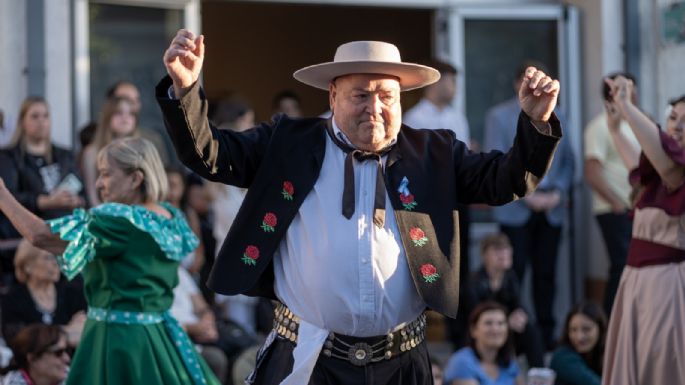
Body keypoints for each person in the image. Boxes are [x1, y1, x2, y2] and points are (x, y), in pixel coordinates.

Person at [158, 30, 562, 385]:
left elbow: (506, 179)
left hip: (402, 363)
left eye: (386, 95)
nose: (375, 107)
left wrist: (536, 123)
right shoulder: (288, 141)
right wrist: (186, 92)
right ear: (332, 95)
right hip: (308, 359)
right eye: (360, 95)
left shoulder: (434, 152)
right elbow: (211, 154)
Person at [0, 137, 220, 385]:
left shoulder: (119, 220)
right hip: (160, 336)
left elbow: (40, 235)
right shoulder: (170, 216)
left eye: (105, 174)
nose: (98, 183)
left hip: (116, 341)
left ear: (136, 178)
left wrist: (3, 196)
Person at [483, 62, 575, 348]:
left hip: (551, 209)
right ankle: (513, 341)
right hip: (516, 208)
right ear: (517, 84)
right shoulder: (498, 116)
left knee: (546, 275)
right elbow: (496, 157)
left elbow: (570, 162)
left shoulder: (559, 111)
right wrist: (528, 195)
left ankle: (546, 338)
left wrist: (557, 193)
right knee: (514, 274)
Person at [601, 77, 685, 385]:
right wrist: (614, 127)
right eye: (673, 118)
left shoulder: (677, 173)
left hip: (666, 283)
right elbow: (635, 158)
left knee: (658, 364)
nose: (676, 126)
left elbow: (666, 163)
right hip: (636, 282)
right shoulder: (657, 178)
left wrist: (627, 106)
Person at [404, 60, 473, 347]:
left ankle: (460, 336)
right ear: (434, 81)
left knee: (459, 266)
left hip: (457, 200)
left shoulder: (458, 117)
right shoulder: (413, 117)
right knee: (423, 264)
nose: (454, 87)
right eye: (450, 80)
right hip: (426, 205)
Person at [583, 72, 640, 316]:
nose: (634, 93)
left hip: (635, 210)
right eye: (627, 88)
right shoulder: (599, 126)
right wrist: (617, 203)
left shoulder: (634, 124)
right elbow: (592, 172)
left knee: (634, 268)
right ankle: (609, 323)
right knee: (622, 267)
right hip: (615, 211)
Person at [463, 233, 544, 367]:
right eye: (497, 250)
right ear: (484, 256)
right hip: (481, 330)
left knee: (531, 330)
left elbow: (518, 305)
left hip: (505, 328)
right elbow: (475, 315)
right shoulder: (473, 282)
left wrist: (520, 315)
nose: (503, 255)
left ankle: (539, 374)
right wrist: (506, 321)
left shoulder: (510, 277)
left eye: (506, 249)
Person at [1, 239, 86, 348]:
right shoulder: (12, 300)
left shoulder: (72, 292)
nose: (56, 263)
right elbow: (18, 341)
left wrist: (41, 337)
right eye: (48, 258)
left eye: (57, 257)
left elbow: (83, 332)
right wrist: (66, 331)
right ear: (28, 266)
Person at [443, 302, 523, 385]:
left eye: (501, 323)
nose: (495, 329)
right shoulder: (461, 362)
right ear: (473, 330)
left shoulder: (510, 364)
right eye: (488, 323)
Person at [80, 96, 139, 207]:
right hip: (103, 214)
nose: (125, 118)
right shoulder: (91, 152)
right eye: (119, 113)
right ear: (107, 117)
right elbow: (91, 194)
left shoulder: (142, 151)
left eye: (131, 113)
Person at [549, 302, 606, 385]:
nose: (579, 337)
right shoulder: (562, 357)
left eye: (586, 329)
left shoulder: (604, 354)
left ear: (600, 329)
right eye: (573, 330)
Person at [0, 324, 70, 385]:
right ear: (32, 358)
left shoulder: (71, 377)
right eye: (58, 353)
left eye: (67, 351)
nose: (67, 358)